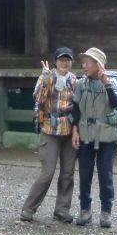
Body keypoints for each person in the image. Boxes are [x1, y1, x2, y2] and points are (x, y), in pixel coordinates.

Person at [20, 47, 78, 223]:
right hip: (49, 130)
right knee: (47, 172)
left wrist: (77, 129)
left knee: (68, 173)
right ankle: (28, 208)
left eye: (68, 59)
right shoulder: (46, 77)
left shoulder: (75, 80)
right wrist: (45, 79)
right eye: (61, 59)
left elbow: (78, 106)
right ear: (55, 61)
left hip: (68, 130)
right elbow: (38, 99)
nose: (64, 62)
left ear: (71, 62)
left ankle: (62, 209)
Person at [70, 47, 117, 228]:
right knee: (85, 173)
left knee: (106, 174)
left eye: (87, 63)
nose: (84, 66)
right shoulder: (82, 84)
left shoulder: (112, 82)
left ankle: (106, 211)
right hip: (85, 133)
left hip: (106, 135)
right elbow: (75, 108)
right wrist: (74, 130)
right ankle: (85, 209)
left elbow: (116, 104)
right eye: (83, 62)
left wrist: (106, 83)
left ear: (98, 64)